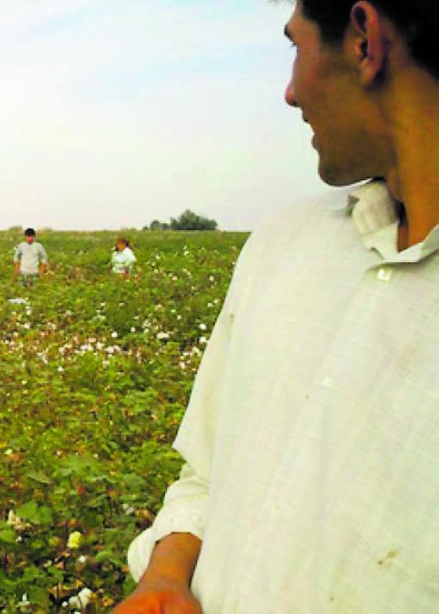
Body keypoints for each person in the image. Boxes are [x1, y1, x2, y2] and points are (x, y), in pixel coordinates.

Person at [115, 1, 439, 611]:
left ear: (365, 41)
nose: (290, 94)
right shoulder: (284, 244)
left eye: (296, 47)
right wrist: (167, 573)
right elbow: (207, 475)